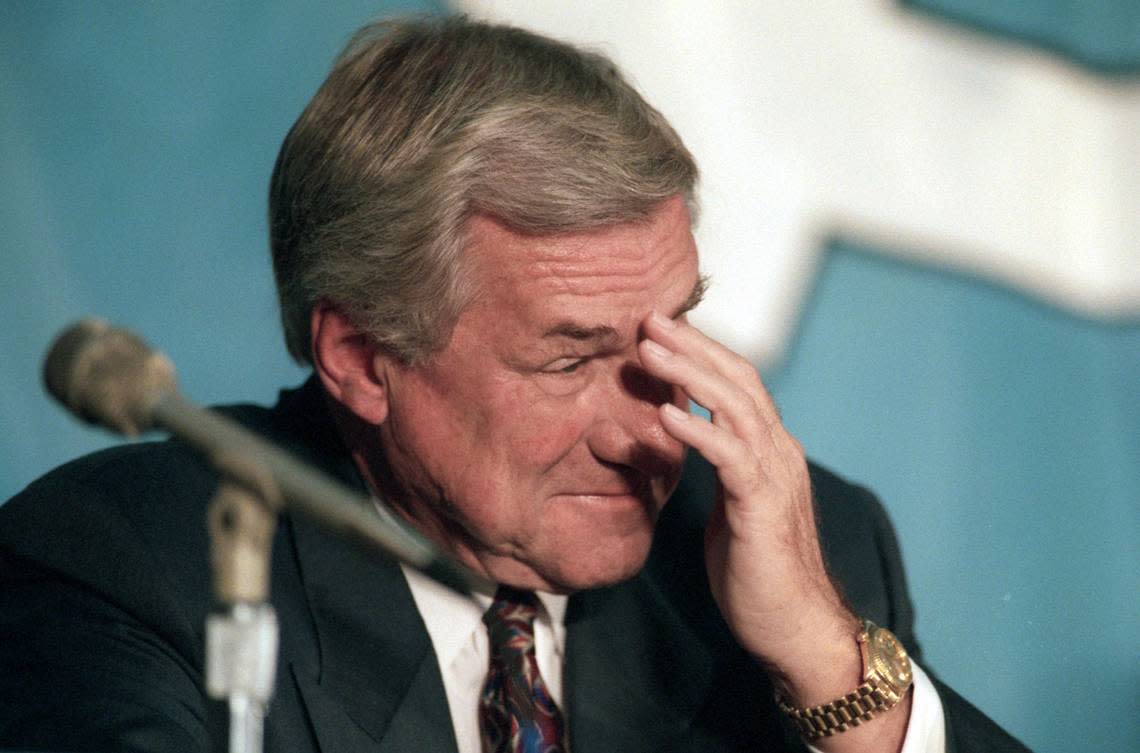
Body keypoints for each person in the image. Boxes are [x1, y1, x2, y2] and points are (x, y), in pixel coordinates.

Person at [0, 16, 1029, 753]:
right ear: (362, 359)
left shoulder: (803, 558)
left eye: (670, 333)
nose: (654, 434)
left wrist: (830, 668)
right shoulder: (129, 570)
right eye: (571, 359)